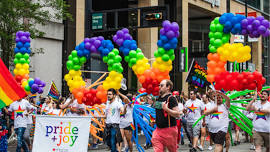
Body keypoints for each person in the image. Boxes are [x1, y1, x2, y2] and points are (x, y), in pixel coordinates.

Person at [151, 79, 182, 152]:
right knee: (157, 148)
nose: (159, 87)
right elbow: (158, 112)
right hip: (158, 130)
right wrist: (154, 121)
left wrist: (167, 109)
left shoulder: (171, 98)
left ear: (168, 87)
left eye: (161, 85)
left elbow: (178, 114)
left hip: (169, 130)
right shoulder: (158, 98)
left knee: (172, 150)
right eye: (159, 85)